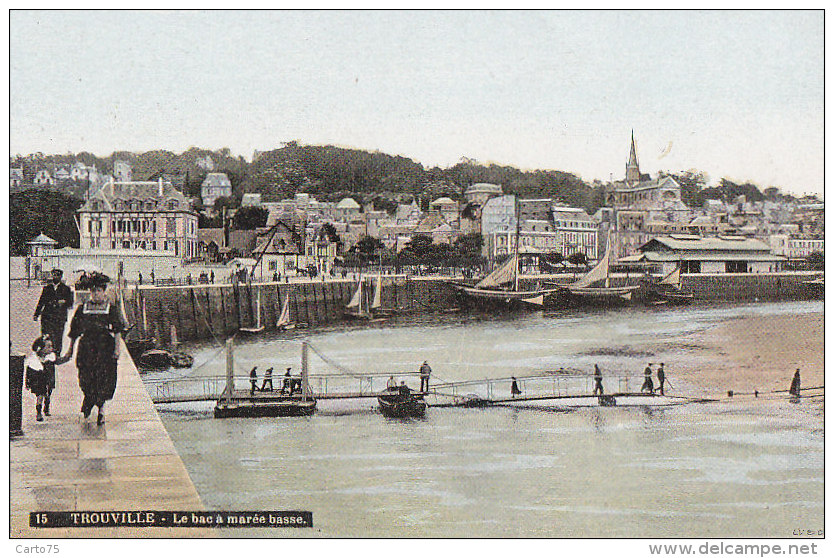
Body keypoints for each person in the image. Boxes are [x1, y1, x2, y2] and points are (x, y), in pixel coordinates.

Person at [61, 272, 126, 425]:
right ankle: (88, 400)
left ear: (104, 291)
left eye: (99, 290)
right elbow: (74, 332)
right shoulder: (83, 308)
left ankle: (101, 411)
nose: (96, 294)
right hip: (86, 348)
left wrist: (117, 349)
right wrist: (70, 350)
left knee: (103, 379)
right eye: (93, 291)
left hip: (104, 348)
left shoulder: (111, 308)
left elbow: (117, 330)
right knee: (85, 378)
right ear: (90, 292)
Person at [33, 268, 74, 354]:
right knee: (46, 336)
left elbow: (70, 304)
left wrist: (64, 302)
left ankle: (56, 355)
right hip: (47, 317)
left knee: (58, 337)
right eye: (54, 275)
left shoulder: (66, 289)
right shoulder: (47, 288)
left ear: (61, 276)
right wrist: (36, 314)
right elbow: (41, 301)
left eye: (57, 275)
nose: (55, 277)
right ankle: (45, 353)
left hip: (59, 317)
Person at [25, 336, 57, 422]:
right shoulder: (33, 360)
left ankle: (46, 408)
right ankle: (38, 412)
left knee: (48, 395)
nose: (51, 349)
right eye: (48, 346)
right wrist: (27, 382)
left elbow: (54, 366)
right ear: (40, 349)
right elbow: (29, 371)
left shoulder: (51, 358)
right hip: (39, 381)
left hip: (49, 380)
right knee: (40, 396)